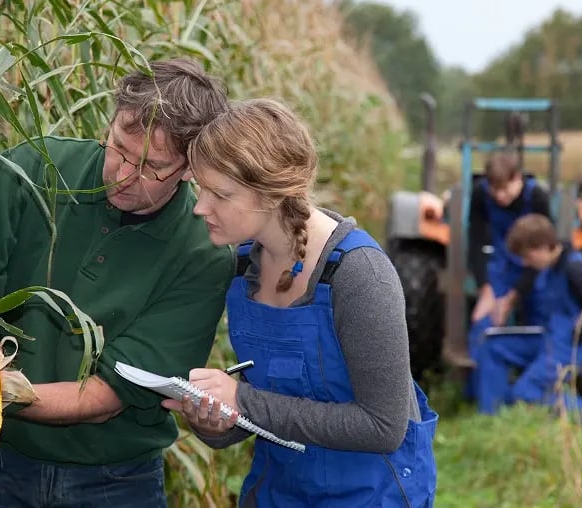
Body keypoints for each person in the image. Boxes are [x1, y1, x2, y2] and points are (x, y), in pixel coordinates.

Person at [0, 58, 236, 506]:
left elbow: (108, 396)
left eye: (151, 167)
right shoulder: (33, 170)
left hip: (114, 480)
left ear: (191, 169)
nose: (124, 175)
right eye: (118, 149)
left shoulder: (200, 254)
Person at [160, 98, 438, 507]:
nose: (201, 207)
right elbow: (270, 404)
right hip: (279, 492)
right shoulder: (241, 269)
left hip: (370, 495)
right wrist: (218, 422)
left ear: (271, 193)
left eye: (220, 193)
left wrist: (243, 400)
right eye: (201, 189)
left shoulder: (360, 276)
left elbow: (383, 426)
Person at [475, 213, 582, 431]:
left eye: (526, 256)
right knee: (493, 346)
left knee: (527, 389)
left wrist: (576, 336)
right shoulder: (549, 268)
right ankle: (494, 420)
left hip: (579, 344)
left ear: (542, 247)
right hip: (552, 337)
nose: (524, 262)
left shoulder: (577, 268)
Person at [463, 151, 552, 401]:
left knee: (540, 321)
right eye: (495, 190)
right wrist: (486, 290)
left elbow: (544, 251)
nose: (500, 196)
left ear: (518, 179)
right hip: (501, 263)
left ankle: (535, 391)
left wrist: (512, 298)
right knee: (483, 320)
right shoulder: (481, 194)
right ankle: (483, 397)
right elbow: (476, 241)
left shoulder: (537, 196)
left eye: (506, 189)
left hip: (534, 266)